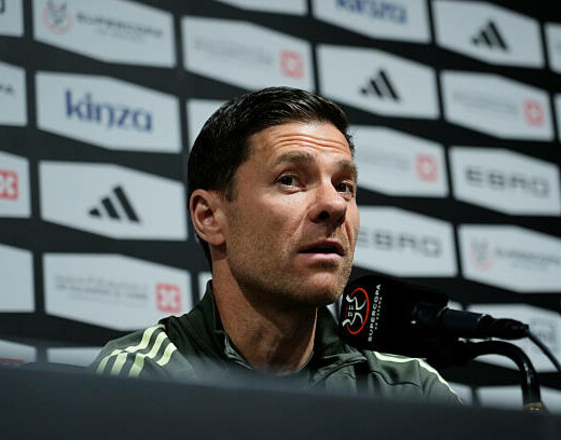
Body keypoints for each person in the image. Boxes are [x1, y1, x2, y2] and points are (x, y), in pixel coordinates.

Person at [89, 87, 460, 403]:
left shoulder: (409, 390)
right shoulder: (140, 379)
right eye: (290, 179)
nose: (335, 205)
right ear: (210, 217)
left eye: (344, 185)